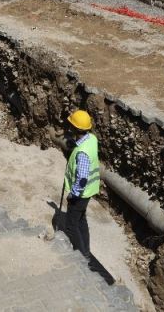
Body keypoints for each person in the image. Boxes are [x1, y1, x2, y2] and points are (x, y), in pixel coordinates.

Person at [64, 109, 100, 263]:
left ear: (76, 129)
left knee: (71, 224)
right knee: (81, 220)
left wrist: (73, 193)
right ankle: (86, 250)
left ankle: (81, 255)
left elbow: (83, 178)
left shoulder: (82, 152)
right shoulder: (91, 138)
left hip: (81, 194)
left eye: (71, 125)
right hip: (89, 192)